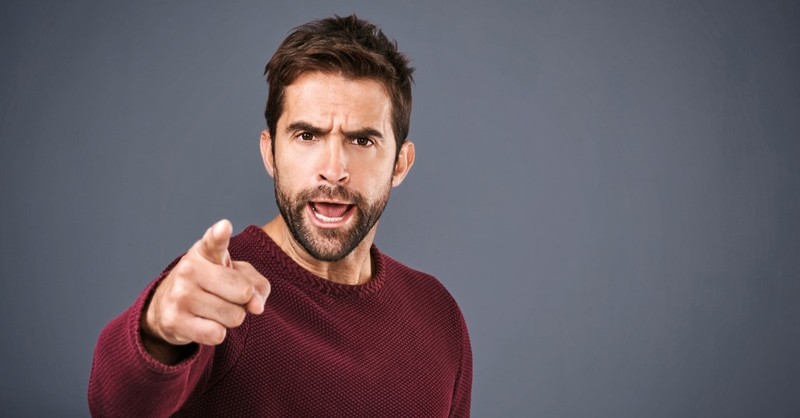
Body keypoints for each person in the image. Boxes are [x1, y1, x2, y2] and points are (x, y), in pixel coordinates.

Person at [88, 14, 472, 417]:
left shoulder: (438, 315)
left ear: (400, 164)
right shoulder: (220, 290)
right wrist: (157, 332)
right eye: (307, 136)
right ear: (270, 153)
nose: (333, 169)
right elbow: (117, 406)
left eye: (361, 140)